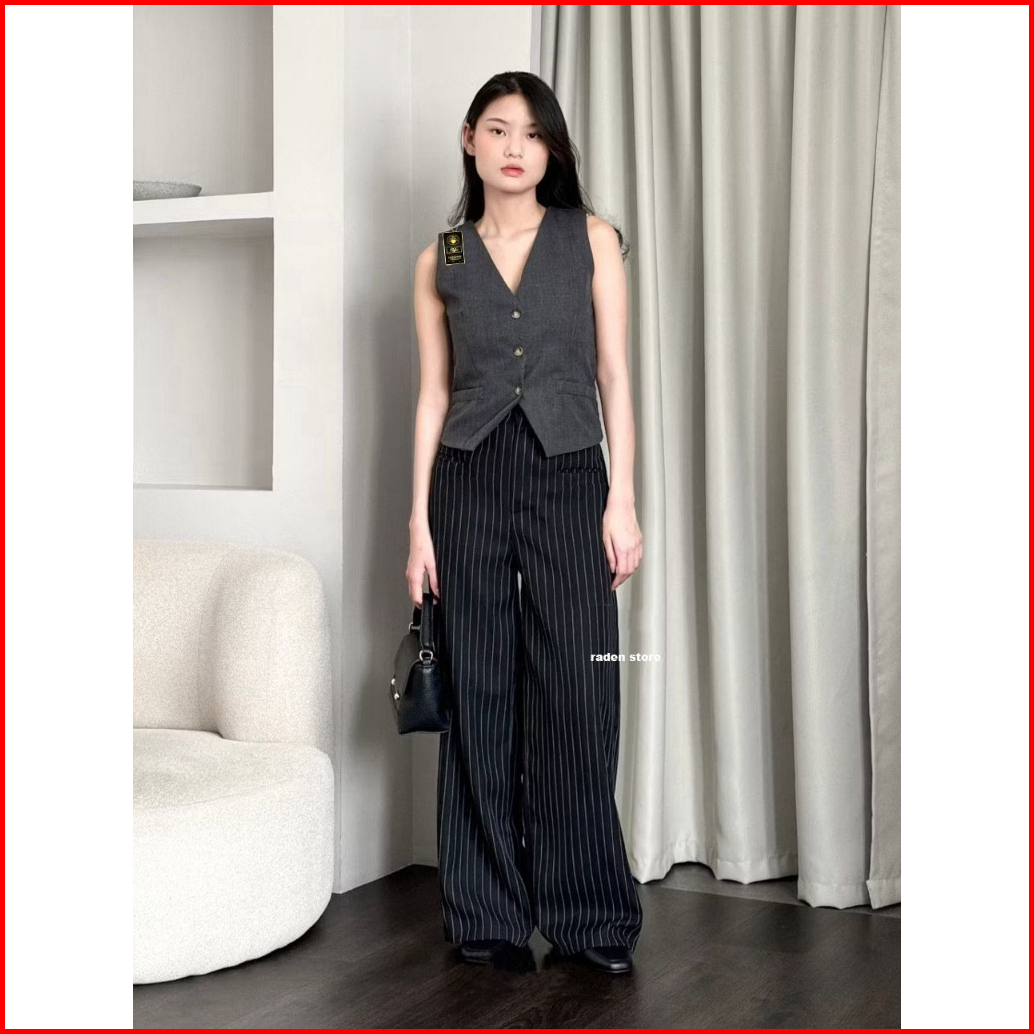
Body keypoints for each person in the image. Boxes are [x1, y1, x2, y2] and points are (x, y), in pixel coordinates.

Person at [407, 71, 644, 976]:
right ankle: (487, 911)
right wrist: (418, 526)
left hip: (570, 474)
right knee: (479, 691)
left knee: (580, 692)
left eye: (534, 133)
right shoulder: (441, 257)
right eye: (500, 130)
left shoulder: (592, 238)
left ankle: (590, 916)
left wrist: (623, 499)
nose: (516, 148)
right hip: (466, 478)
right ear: (469, 139)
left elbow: (614, 375)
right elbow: (433, 395)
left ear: (553, 149)